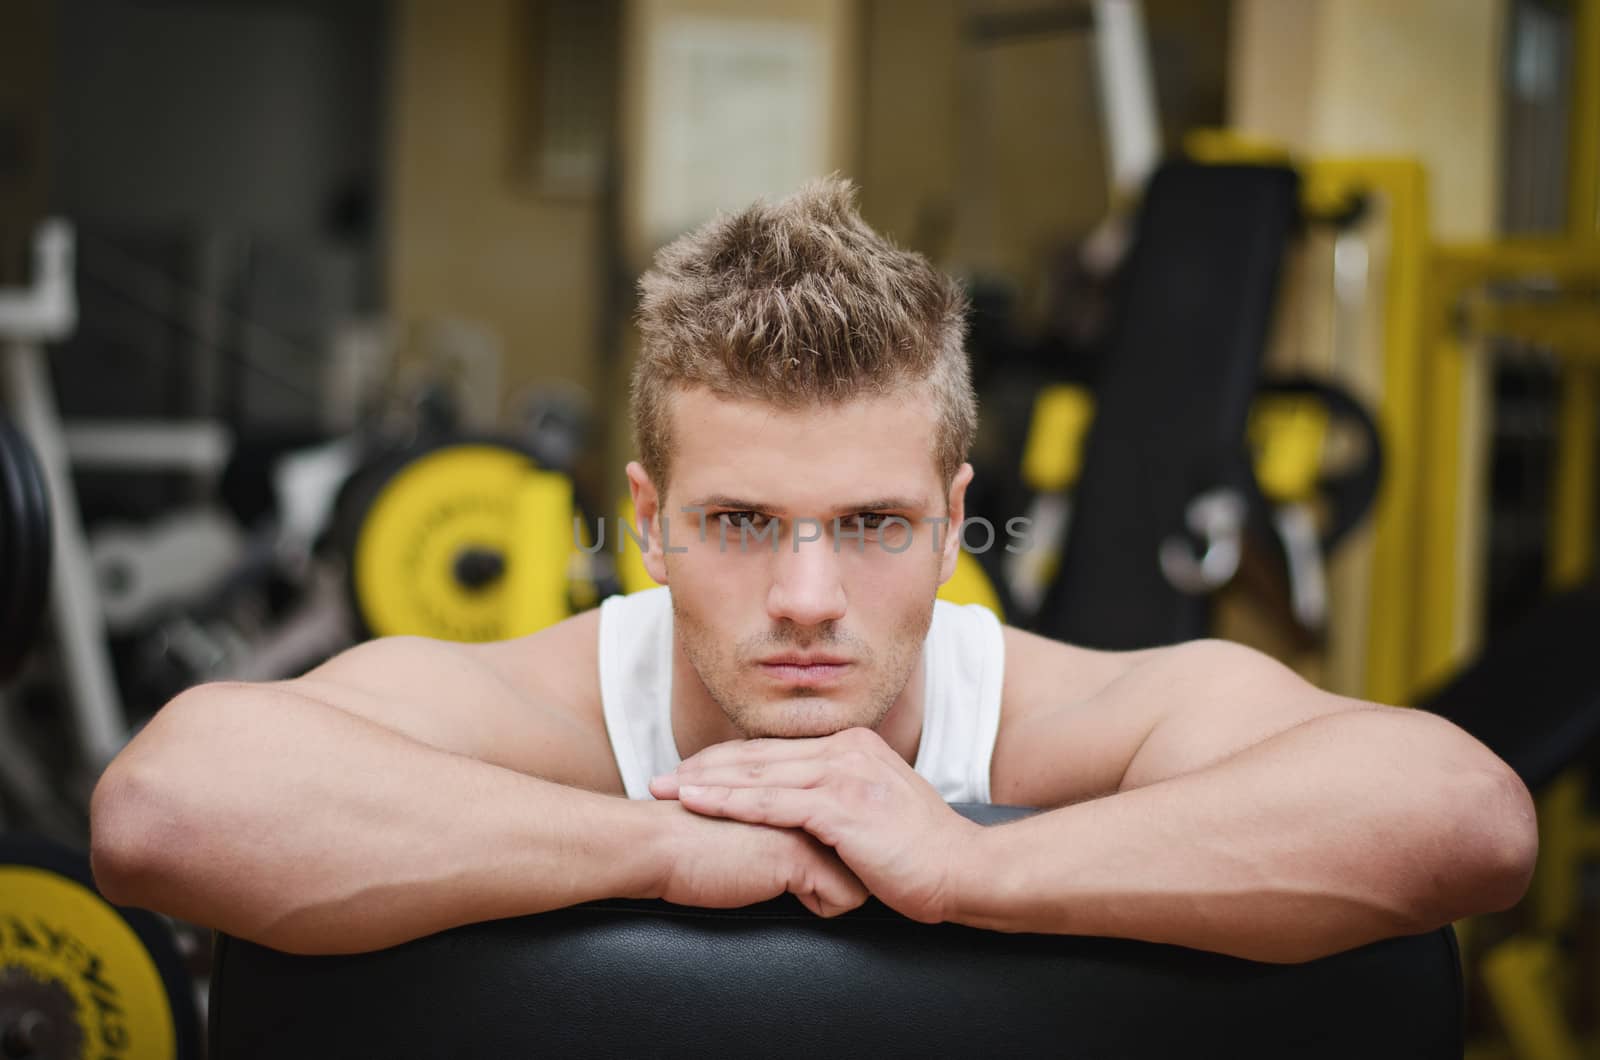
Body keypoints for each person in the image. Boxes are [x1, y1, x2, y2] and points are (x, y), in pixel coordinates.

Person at [89, 178, 1536, 963]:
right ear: (647, 523)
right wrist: (666, 851)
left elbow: (1467, 819)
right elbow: (162, 809)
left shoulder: (1063, 716)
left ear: (954, 513)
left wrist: (975, 867)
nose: (803, 597)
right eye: (738, 525)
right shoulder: (543, 714)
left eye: (870, 524)